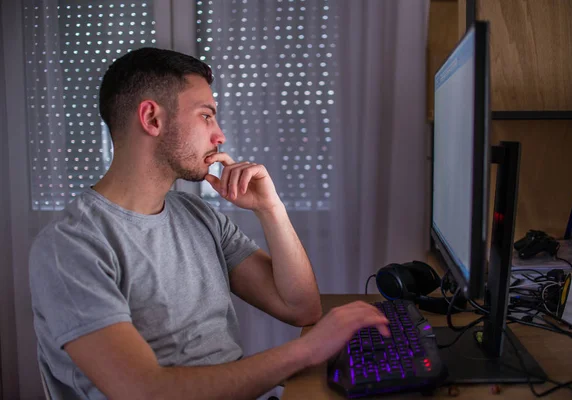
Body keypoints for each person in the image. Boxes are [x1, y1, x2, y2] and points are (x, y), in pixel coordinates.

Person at [29, 47, 390, 400]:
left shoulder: (198, 216)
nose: (220, 136)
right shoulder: (70, 246)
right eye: (206, 115)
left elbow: (301, 308)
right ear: (152, 119)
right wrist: (309, 350)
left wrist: (270, 208)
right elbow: (144, 390)